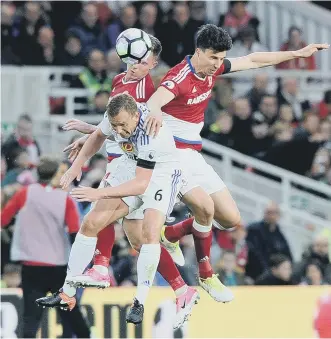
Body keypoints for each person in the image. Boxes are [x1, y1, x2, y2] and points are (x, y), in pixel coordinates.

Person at [142, 23, 328, 291]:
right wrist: (155, 110)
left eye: (221, 58)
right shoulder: (180, 77)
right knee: (206, 209)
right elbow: (155, 100)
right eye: (213, 58)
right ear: (198, 51)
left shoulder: (213, 66)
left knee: (230, 219)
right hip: (172, 157)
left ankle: (171, 233)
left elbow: (253, 59)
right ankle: (206, 275)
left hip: (193, 155)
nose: (217, 64)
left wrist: (296, 54)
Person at [36, 94, 199, 329]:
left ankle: (143, 301)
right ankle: (67, 292)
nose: (120, 131)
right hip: (132, 165)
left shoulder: (150, 132)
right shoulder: (114, 114)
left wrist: (99, 193)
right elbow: (99, 136)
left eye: (123, 125)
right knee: (92, 223)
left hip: (161, 174)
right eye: (116, 125)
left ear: (135, 115)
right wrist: (75, 166)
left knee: (149, 236)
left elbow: (142, 184)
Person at [1, 156, 90, 338]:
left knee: (31, 319)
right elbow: (75, 233)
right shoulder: (65, 200)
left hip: (31, 266)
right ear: (56, 175)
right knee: (72, 317)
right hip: (59, 267)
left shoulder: (25, 193)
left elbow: (3, 220)